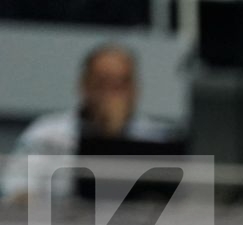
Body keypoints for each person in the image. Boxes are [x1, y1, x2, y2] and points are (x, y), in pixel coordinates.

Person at [1, 43, 179, 203]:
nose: (112, 94)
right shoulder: (46, 134)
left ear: (136, 90)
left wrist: (114, 136)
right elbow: (16, 189)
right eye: (104, 83)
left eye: (121, 83)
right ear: (83, 85)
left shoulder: (158, 138)